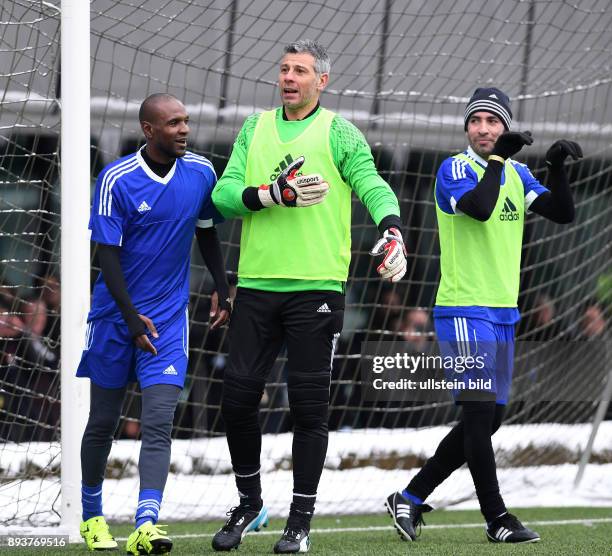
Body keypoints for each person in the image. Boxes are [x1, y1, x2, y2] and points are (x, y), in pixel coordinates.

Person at [210, 40, 407, 554]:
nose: (289, 77)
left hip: (317, 289)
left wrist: (392, 228)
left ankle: (300, 522)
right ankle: (250, 503)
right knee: (236, 400)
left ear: (323, 80)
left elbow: (373, 184)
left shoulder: (340, 132)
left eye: (300, 71)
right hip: (254, 285)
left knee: (308, 408)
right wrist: (272, 194)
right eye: (284, 69)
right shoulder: (254, 128)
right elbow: (224, 197)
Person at [385, 87, 582, 544]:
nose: (484, 129)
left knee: (487, 420)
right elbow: (478, 207)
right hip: (463, 308)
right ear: (467, 128)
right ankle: (497, 519)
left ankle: (410, 498)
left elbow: (563, 213)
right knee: (477, 415)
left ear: (506, 127)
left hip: (503, 314)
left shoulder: (515, 171)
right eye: (476, 120)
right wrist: (497, 163)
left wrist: (555, 167)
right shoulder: (454, 168)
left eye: (494, 121)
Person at [76, 93, 230, 554]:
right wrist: (129, 318)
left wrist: (223, 286)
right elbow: (106, 257)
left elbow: (206, 230)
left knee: (159, 421)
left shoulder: (201, 172)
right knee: (103, 421)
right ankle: (90, 517)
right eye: (174, 123)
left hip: (166, 320)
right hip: (114, 318)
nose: (184, 129)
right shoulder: (115, 179)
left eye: (186, 121)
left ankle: (146, 524)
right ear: (149, 129)